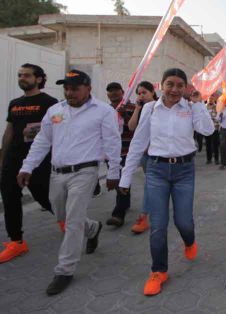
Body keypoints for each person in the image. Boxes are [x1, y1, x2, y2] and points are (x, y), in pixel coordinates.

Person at [17, 69, 121, 295]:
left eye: (74, 88)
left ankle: (64, 270)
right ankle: (92, 228)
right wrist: (27, 166)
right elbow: (43, 141)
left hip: (85, 172)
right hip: (57, 173)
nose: (69, 92)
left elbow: (112, 142)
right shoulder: (55, 111)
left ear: (88, 89)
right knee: (60, 214)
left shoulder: (102, 111)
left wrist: (114, 171)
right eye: (66, 88)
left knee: (72, 221)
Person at [119, 68, 215, 296]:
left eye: (180, 85)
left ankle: (189, 242)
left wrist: (199, 104)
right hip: (156, 170)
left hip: (184, 171)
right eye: (170, 84)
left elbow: (208, 130)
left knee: (183, 221)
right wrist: (125, 176)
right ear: (161, 86)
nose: (174, 89)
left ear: (185, 89)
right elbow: (139, 142)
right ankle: (158, 271)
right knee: (158, 225)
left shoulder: (190, 109)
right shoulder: (150, 110)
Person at [0, 64, 57, 263]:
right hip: (13, 158)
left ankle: (70, 221)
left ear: (39, 79)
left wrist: (35, 131)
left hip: (38, 159)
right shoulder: (14, 103)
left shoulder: (50, 102)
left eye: (27, 75)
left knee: (43, 196)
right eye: (20, 75)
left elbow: (57, 127)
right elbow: (9, 131)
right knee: (9, 197)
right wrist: (3, 157)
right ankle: (16, 241)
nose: (22, 78)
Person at [127, 81, 158, 234]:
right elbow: (131, 127)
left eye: (144, 92)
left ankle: (144, 216)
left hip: (155, 153)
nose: (141, 95)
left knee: (150, 184)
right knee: (151, 183)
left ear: (153, 92)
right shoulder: (141, 108)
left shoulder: (158, 107)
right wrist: (137, 109)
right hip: (144, 155)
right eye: (139, 93)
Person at [105, 82, 136, 227]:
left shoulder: (133, 108)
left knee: (121, 180)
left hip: (127, 151)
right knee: (119, 181)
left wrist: (125, 115)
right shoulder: (105, 110)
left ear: (123, 92)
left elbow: (136, 129)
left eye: (116, 90)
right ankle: (125, 202)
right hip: (111, 152)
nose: (113, 93)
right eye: (110, 91)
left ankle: (118, 214)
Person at [205, 94, 220, 164]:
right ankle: (209, 159)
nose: (210, 99)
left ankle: (216, 159)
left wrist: (212, 118)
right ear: (207, 99)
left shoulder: (217, 107)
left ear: (214, 99)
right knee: (208, 144)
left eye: (212, 98)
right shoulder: (204, 107)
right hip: (207, 128)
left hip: (215, 128)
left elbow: (218, 117)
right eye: (209, 98)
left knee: (215, 144)